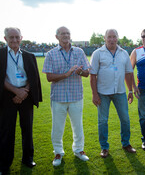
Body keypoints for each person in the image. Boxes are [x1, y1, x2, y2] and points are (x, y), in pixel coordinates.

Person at [42, 26, 90, 166]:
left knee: (78, 126)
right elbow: (49, 77)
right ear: (56, 37)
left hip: (76, 96)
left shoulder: (79, 51)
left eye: (67, 33)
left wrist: (80, 72)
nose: (65, 35)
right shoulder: (51, 54)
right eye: (62, 34)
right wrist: (66, 74)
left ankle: (79, 150)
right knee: (57, 127)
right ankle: (58, 152)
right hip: (58, 97)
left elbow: (87, 73)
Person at [0, 27, 42, 173]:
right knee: (7, 131)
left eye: (17, 37)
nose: (14, 40)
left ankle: (28, 159)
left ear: (21, 37)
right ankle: (4, 164)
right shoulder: (1, 54)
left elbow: (34, 76)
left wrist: (24, 91)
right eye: (11, 37)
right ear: (5, 39)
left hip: (26, 96)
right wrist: (15, 91)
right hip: (7, 97)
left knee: (27, 129)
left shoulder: (29, 56)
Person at [90, 29, 136, 158]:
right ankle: (104, 147)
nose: (111, 39)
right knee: (103, 121)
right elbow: (92, 75)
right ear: (104, 38)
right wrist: (94, 94)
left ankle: (126, 144)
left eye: (114, 37)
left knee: (125, 119)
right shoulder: (97, 53)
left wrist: (130, 90)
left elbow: (128, 73)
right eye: (109, 37)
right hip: (103, 93)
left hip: (120, 92)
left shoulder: (124, 53)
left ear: (117, 38)